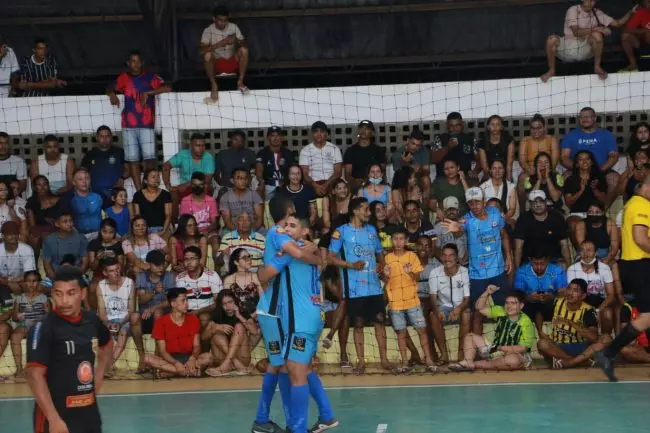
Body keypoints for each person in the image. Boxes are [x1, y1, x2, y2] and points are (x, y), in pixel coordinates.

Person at [258, 215, 339, 433]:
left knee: (293, 369)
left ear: (303, 232)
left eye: (292, 226)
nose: (286, 228)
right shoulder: (305, 249)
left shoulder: (295, 251)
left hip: (300, 320)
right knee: (299, 368)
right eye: (285, 225)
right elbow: (318, 258)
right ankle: (325, 416)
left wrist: (262, 267)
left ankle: (297, 428)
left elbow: (264, 275)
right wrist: (319, 255)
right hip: (312, 317)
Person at [250, 194, 321, 433]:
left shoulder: (282, 237)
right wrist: (313, 252)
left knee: (279, 364)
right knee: (281, 365)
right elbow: (266, 273)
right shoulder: (279, 234)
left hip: (278, 309)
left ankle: (268, 420)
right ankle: (286, 423)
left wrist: (314, 250)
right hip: (272, 309)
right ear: (289, 210)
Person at [26, 266, 113, 433]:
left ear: (83, 293)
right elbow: (34, 375)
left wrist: (100, 375)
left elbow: (107, 344)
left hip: (88, 412)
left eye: (71, 293)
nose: (64, 301)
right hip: (55, 415)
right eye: (58, 294)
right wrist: (53, 419)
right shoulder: (43, 327)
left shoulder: (91, 320)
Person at [595, 174, 650, 381]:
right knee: (647, 317)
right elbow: (640, 239)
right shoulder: (641, 205)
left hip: (637, 265)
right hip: (640, 265)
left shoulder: (636, 204)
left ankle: (608, 354)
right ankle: (608, 353)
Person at [329, 197, 392, 373]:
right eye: (366, 209)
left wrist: (382, 265)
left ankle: (385, 361)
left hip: (374, 286)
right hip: (354, 288)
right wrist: (351, 265)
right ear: (355, 211)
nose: (369, 213)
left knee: (380, 321)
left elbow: (380, 253)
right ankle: (361, 362)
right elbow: (330, 258)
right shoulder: (340, 232)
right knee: (358, 323)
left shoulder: (372, 230)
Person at [441, 187, 513, 333]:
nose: (474, 206)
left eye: (477, 202)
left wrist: (509, 257)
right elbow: (460, 229)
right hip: (477, 275)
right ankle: (478, 352)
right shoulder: (467, 219)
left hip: (498, 271)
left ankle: (511, 344)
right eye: (471, 203)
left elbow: (504, 235)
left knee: (507, 310)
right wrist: (457, 229)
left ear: (484, 201)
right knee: (477, 313)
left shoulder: (495, 214)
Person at [107, 50, 171, 191]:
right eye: (132, 61)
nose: (135, 64)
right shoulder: (124, 77)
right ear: (128, 63)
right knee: (133, 160)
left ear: (142, 62)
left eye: (137, 61)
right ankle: (139, 191)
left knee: (150, 159)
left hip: (146, 124)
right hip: (128, 125)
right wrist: (112, 93)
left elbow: (167, 87)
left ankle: (149, 186)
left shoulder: (150, 77)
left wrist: (149, 92)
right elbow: (110, 86)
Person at [541, 1, 636, 81]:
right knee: (551, 39)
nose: (591, 2)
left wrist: (631, 12)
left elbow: (618, 23)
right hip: (568, 48)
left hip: (585, 48)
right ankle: (551, 70)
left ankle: (597, 67)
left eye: (593, 0)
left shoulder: (597, 13)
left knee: (597, 35)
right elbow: (576, 32)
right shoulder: (573, 10)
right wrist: (598, 29)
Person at [383, 230, 436, 372]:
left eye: (401, 239)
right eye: (395, 238)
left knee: (422, 331)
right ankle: (405, 363)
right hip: (395, 302)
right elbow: (386, 280)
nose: (398, 242)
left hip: (412, 301)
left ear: (406, 241)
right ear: (391, 240)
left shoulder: (412, 256)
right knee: (401, 332)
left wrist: (410, 272)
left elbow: (417, 278)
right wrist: (386, 276)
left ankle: (429, 360)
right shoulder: (387, 258)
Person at [449, 288, 535, 371]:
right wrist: (487, 292)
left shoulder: (526, 322)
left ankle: (475, 364)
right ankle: (468, 362)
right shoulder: (501, 311)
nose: (509, 306)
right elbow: (479, 308)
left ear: (521, 305)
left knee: (512, 361)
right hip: (496, 349)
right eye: (507, 303)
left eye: (513, 303)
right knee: (470, 337)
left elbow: (522, 348)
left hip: (515, 354)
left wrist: (501, 348)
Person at [537, 278, 611, 369]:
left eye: (575, 290)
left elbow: (593, 337)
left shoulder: (588, 310)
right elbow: (539, 313)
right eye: (569, 289)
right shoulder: (557, 303)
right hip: (558, 347)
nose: (570, 293)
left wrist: (570, 323)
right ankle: (577, 362)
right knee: (542, 343)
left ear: (583, 296)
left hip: (581, 347)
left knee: (607, 339)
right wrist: (540, 331)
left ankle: (568, 363)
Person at [144, 287, 213, 377]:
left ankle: (169, 373)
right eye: (183, 301)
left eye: (187, 300)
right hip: (170, 359)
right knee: (147, 358)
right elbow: (162, 352)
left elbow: (197, 346)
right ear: (173, 304)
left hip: (188, 358)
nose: (187, 304)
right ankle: (187, 372)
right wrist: (176, 363)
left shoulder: (193, 319)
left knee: (209, 357)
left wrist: (192, 358)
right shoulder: (161, 322)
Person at [561, 107, 619, 206]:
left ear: (595, 118)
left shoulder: (606, 135)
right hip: (577, 169)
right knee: (564, 178)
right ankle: (573, 210)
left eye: (588, 117)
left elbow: (613, 157)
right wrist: (577, 168)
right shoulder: (571, 135)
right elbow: (564, 158)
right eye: (582, 117)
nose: (584, 119)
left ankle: (605, 209)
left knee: (614, 180)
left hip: (602, 169)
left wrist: (600, 169)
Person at [96, 257, 145, 373]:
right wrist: (109, 324)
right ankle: (106, 366)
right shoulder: (101, 285)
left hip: (125, 320)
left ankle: (107, 366)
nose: (116, 272)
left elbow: (131, 310)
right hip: (108, 321)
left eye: (117, 269)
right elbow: (102, 313)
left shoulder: (129, 283)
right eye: (112, 270)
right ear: (105, 273)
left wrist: (119, 323)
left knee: (123, 331)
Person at [428, 243, 471, 363]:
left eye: (451, 255)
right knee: (433, 315)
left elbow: (467, 298)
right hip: (444, 307)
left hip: (461, 306)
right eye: (445, 255)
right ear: (441, 257)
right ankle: (444, 354)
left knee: (467, 315)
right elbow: (433, 296)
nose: (448, 259)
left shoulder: (464, 272)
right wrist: (437, 310)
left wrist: (458, 309)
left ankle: (461, 353)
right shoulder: (435, 273)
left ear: (457, 257)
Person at [567, 240, 618, 336]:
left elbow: (611, 295)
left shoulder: (604, 268)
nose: (586, 254)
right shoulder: (572, 269)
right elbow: (572, 293)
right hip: (581, 301)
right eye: (582, 250)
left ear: (596, 252)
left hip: (601, 301)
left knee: (607, 313)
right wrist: (588, 309)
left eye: (589, 250)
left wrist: (599, 310)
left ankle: (604, 338)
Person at [200, 5, 250, 102]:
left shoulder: (233, 27)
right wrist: (220, 44)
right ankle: (213, 84)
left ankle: (240, 81)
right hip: (217, 64)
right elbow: (201, 51)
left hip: (232, 61)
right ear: (214, 19)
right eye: (220, 20)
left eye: (225, 20)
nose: (223, 23)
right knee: (207, 55)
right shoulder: (208, 30)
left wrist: (236, 41)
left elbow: (244, 44)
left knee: (244, 50)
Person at [205, 289, 259, 376]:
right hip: (222, 359)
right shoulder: (216, 315)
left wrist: (239, 316)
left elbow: (255, 332)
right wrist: (216, 328)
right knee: (216, 333)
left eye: (230, 302)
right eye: (224, 304)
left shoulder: (242, 313)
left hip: (242, 358)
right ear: (220, 305)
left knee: (239, 326)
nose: (228, 306)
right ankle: (233, 363)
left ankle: (226, 366)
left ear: (235, 302)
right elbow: (204, 337)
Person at [513, 251, 568, 337]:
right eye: (535, 263)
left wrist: (552, 297)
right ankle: (539, 333)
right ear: (530, 260)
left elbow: (563, 293)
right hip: (529, 305)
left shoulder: (557, 271)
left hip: (551, 305)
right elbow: (517, 295)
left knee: (551, 305)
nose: (539, 267)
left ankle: (543, 332)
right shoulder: (521, 272)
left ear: (548, 260)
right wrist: (528, 298)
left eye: (542, 263)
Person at [513, 190, 572, 269]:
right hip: (530, 261)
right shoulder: (523, 219)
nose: (538, 205)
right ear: (530, 204)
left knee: (563, 266)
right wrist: (517, 270)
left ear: (546, 202)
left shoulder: (557, 218)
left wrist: (570, 268)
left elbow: (564, 245)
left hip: (553, 260)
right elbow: (518, 248)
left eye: (541, 201)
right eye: (534, 202)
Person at [163, 133, 215, 215]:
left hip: (202, 186)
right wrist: (168, 186)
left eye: (203, 145)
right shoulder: (183, 155)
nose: (201, 148)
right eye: (198, 145)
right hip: (185, 187)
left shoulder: (208, 158)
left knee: (206, 188)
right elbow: (166, 166)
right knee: (172, 195)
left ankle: (203, 218)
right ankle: (175, 223)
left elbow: (207, 181)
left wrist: (187, 184)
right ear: (191, 146)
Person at [9, 270, 48, 380]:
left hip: (39, 326)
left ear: (39, 282)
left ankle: (39, 369)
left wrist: (40, 322)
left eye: (34, 281)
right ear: (24, 283)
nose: (32, 284)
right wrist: (18, 316)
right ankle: (19, 369)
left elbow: (49, 316)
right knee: (15, 336)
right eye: (28, 281)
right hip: (25, 324)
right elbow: (14, 318)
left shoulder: (44, 298)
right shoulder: (20, 298)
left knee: (41, 335)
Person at [179, 172, 220, 262]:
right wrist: (196, 233)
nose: (197, 187)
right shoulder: (185, 200)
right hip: (191, 233)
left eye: (200, 185)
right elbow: (185, 223)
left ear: (205, 185)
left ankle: (218, 271)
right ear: (191, 185)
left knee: (216, 240)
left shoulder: (211, 200)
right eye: (195, 185)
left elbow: (214, 223)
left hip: (208, 233)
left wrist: (206, 231)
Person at [80, 126, 127, 203]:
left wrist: (122, 178)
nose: (105, 139)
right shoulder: (90, 154)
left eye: (107, 136)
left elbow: (128, 169)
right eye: (101, 136)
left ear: (111, 137)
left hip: (116, 193)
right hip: (95, 193)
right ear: (97, 138)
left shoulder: (119, 152)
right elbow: (82, 173)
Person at [176, 246, 223, 319]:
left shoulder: (212, 276)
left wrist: (199, 311)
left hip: (208, 311)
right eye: (186, 259)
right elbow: (179, 303)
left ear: (200, 260)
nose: (189, 262)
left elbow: (218, 302)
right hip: (187, 312)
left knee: (204, 317)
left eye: (192, 258)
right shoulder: (180, 278)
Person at [136, 250, 176, 335]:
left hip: (165, 312)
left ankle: (158, 343)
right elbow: (141, 300)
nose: (161, 268)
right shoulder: (141, 276)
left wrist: (153, 309)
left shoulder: (169, 276)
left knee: (158, 312)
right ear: (149, 265)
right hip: (145, 315)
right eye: (157, 265)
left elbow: (171, 300)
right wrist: (154, 291)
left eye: (162, 264)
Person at [299, 121, 344, 198]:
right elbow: (305, 175)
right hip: (312, 184)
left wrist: (326, 185)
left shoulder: (334, 149)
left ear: (326, 133)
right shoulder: (305, 150)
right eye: (316, 131)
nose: (319, 134)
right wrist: (315, 186)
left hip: (331, 183)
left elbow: (338, 172)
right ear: (312, 134)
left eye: (322, 131)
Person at [517, 115, 560, 194]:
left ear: (544, 127)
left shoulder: (552, 140)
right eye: (533, 128)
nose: (536, 130)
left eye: (539, 128)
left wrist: (547, 172)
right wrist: (533, 173)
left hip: (549, 170)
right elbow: (522, 161)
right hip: (531, 171)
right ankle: (522, 206)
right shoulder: (525, 141)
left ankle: (555, 203)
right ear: (530, 129)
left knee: (558, 178)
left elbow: (554, 160)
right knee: (521, 178)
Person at [430, 112, 479, 180]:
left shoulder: (470, 140)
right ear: (447, 126)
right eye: (451, 126)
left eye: (457, 125)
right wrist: (447, 147)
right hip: (444, 179)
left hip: (464, 179)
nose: (454, 128)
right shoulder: (440, 139)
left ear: (462, 124)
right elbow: (433, 159)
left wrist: (475, 170)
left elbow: (480, 159)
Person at [42, 212, 89, 279]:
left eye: (70, 220)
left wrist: (77, 277)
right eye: (65, 221)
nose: (69, 224)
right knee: (42, 288)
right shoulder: (49, 240)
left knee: (86, 288)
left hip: (77, 276)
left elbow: (85, 262)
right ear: (57, 224)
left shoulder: (81, 238)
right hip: (55, 276)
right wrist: (55, 280)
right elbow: (47, 264)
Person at [60, 168, 104, 240]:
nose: (84, 182)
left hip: (99, 234)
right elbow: (61, 218)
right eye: (80, 179)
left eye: (87, 178)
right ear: (74, 182)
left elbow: (110, 210)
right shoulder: (68, 198)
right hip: (77, 236)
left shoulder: (98, 195)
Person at [564, 150, 607, 222]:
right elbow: (568, 202)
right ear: (577, 164)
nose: (584, 161)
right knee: (576, 224)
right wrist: (581, 190)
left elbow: (604, 200)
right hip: (577, 214)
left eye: (587, 159)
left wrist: (594, 189)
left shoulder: (599, 178)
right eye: (581, 159)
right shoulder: (570, 180)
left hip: (595, 213)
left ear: (592, 162)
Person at [343, 120, 387, 189]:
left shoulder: (378, 150)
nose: (363, 130)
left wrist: (371, 181)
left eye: (367, 128)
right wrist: (354, 181)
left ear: (372, 133)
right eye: (361, 128)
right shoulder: (350, 151)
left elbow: (383, 171)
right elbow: (347, 174)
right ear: (358, 131)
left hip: (375, 184)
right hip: (357, 186)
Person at [26, 175, 63, 259]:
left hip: (56, 229)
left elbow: (63, 220)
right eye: (39, 185)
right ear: (34, 187)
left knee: (50, 237)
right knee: (34, 238)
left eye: (45, 184)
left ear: (48, 186)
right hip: (40, 231)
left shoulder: (58, 200)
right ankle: (33, 268)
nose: (42, 187)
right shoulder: (31, 202)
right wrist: (41, 234)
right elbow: (32, 226)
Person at [391, 128, 431, 201]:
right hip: (404, 181)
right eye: (413, 143)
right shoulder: (397, 154)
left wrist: (419, 169)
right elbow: (399, 175)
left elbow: (427, 172)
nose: (415, 147)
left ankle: (425, 208)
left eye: (418, 145)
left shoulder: (424, 151)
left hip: (418, 178)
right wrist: (406, 163)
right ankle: (405, 206)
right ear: (407, 140)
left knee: (426, 179)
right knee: (403, 178)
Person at [219, 168, 264, 232]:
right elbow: (227, 222)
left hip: (253, 228)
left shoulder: (254, 195)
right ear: (232, 180)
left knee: (267, 237)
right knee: (225, 238)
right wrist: (239, 235)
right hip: (232, 229)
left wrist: (251, 232)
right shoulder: (225, 197)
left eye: (245, 178)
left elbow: (259, 219)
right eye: (239, 178)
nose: (243, 181)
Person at [255, 126, 293, 200]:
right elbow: (259, 171)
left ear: (282, 138)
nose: (275, 138)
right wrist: (261, 181)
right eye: (272, 135)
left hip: (285, 185)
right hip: (268, 186)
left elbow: (293, 170)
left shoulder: (288, 153)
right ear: (268, 138)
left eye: (278, 135)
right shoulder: (262, 153)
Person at [132, 168, 173, 237]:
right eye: (153, 177)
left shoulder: (166, 194)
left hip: (162, 228)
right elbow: (137, 216)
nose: (157, 179)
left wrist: (163, 231)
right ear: (145, 181)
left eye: (158, 177)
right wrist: (143, 232)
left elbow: (168, 215)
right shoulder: (138, 195)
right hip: (144, 230)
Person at [0, 221, 36, 295]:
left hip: (22, 282)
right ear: (3, 235)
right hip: (2, 282)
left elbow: (29, 274)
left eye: (15, 233)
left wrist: (15, 282)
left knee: (31, 285)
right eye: (9, 234)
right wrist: (8, 283)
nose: (13, 236)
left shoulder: (27, 249)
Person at [480, 159, 519, 225]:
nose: (497, 171)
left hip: (505, 219)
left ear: (504, 170)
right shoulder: (483, 187)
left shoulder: (511, 187)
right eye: (494, 168)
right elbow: (481, 208)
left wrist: (500, 220)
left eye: (500, 168)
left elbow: (512, 209)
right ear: (490, 170)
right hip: (487, 221)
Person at [431, 197, 468, 265]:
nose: (451, 212)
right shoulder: (437, 227)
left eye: (453, 209)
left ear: (458, 210)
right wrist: (445, 261)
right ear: (444, 211)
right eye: (448, 210)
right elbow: (435, 248)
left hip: (464, 263)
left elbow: (471, 245)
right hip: (445, 264)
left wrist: (463, 260)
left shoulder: (465, 225)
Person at [621, 0, 650, 72]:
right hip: (645, 42)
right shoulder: (642, 12)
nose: (648, 3)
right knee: (625, 36)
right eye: (647, 1)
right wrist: (644, 31)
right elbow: (627, 30)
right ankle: (633, 64)